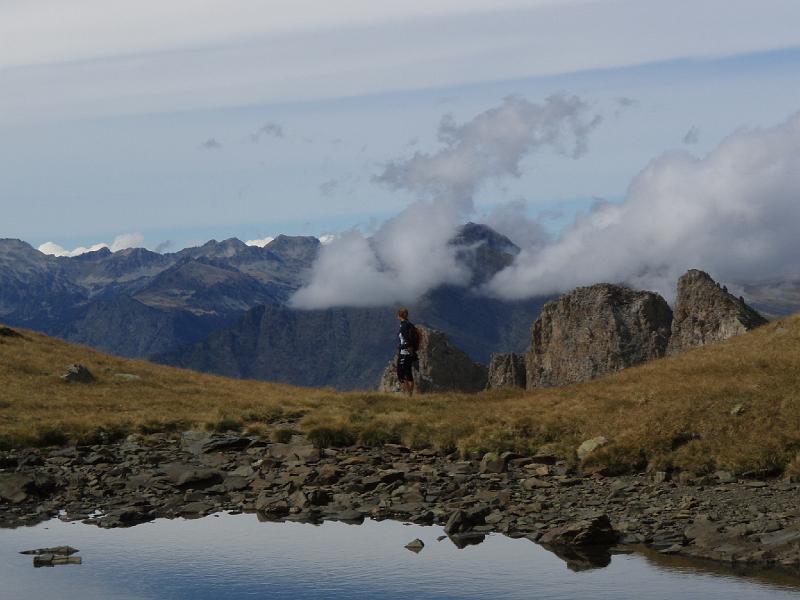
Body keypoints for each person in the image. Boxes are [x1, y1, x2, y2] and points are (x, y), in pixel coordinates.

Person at [395, 307, 418, 396]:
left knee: (400, 375)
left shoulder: (404, 326)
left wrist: (402, 347)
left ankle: (408, 395)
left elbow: (407, 340)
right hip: (409, 353)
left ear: (399, 315)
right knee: (408, 374)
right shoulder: (410, 325)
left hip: (404, 353)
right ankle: (410, 395)